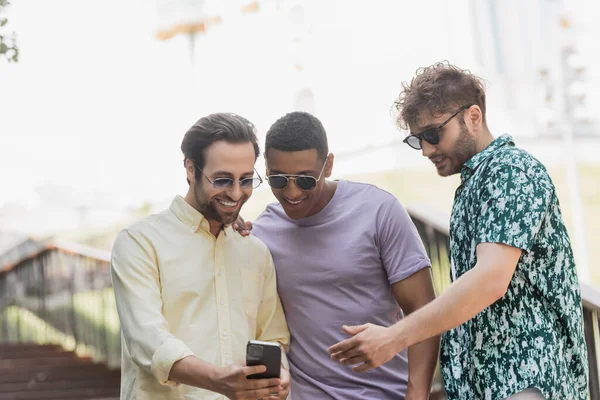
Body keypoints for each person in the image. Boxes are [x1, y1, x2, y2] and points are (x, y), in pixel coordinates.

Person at [328, 62, 589, 400]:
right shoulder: (476, 180)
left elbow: (489, 280)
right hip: (495, 381)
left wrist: (395, 337)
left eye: (433, 134)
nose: (426, 150)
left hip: (527, 378)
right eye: (417, 139)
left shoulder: (511, 172)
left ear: (474, 117)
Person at [238, 111, 440, 399]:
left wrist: (416, 395)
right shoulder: (261, 234)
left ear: (328, 165)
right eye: (279, 180)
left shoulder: (379, 212)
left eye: (306, 180)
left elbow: (423, 310)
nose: (291, 192)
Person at [110, 112, 290, 400]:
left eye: (246, 180)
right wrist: (218, 380)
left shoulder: (255, 251)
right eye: (222, 180)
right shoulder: (139, 243)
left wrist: (279, 377)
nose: (236, 192)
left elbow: (272, 338)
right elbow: (147, 340)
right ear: (190, 169)